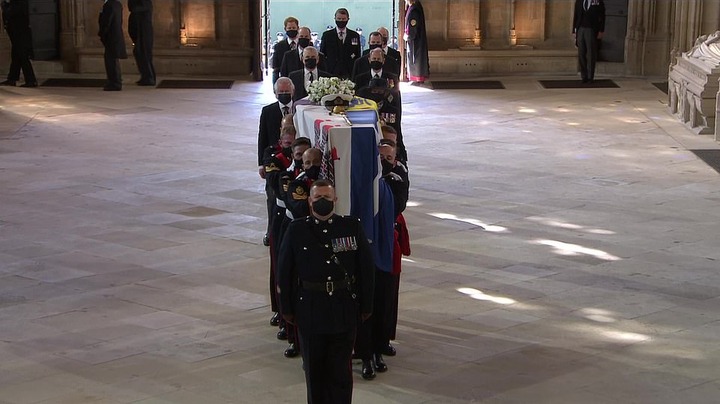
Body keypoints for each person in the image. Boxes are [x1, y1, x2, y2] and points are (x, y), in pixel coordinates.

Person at [277, 179, 375, 404]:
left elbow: (365, 270)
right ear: (310, 201)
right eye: (318, 198)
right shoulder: (297, 229)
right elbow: (284, 272)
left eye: (327, 198)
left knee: (341, 372)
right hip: (310, 308)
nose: (323, 202)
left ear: (336, 200)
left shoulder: (350, 227)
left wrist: (367, 305)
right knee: (314, 371)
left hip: (343, 308)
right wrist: (287, 308)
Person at [258, 77, 295, 247]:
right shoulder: (268, 111)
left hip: (295, 158)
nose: (285, 95)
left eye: (287, 92)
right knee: (272, 197)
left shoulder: (301, 109)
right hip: (275, 160)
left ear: (293, 92)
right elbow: (262, 137)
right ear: (275, 93)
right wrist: (261, 163)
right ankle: (271, 230)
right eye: (281, 93)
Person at [1, 0, 37, 87]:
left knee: (22, 55)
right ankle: (12, 78)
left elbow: (13, 12)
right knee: (16, 55)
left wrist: (5, 5)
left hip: (20, 31)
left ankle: (31, 80)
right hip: (15, 30)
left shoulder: (19, 2)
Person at [319, 8, 361, 79]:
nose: (341, 21)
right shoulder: (327, 35)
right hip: (331, 72)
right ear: (335, 18)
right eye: (339, 18)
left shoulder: (354, 35)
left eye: (343, 19)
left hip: (349, 73)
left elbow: (357, 55)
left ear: (348, 19)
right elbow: (322, 54)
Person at [573, 0, 605, 83]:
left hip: (591, 29)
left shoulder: (597, 1)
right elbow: (576, 15)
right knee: (581, 53)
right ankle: (584, 76)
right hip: (580, 29)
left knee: (591, 53)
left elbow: (602, 15)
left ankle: (590, 77)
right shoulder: (579, 1)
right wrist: (574, 31)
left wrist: (601, 30)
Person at [98, 0, 128, 91]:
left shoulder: (108, 5)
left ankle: (114, 83)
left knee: (111, 61)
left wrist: (102, 34)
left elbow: (106, 22)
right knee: (114, 60)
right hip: (116, 34)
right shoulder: (117, 4)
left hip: (111, 36)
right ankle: (115, 81)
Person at [128, 0, 155, 86]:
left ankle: (149, 77)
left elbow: (143, 8)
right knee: (140, 53)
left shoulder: (144, 6)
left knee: (144, 53)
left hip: (143, 31)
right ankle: (146, 76)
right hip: (139, 30)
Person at [404, 0, 429, 84]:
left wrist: (408, 36)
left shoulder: (414, 10)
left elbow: (412, 26)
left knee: (414, 58)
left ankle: (416, 78)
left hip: (415, 41)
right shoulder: (415, 7)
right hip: (416, 40)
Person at [272, 16, 299, 84]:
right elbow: (276, 68)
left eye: (293, 28)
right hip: (285, 81)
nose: (291, 30)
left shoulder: (303, 44)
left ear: (298, 28)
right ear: (285, 29)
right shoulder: (279, 46)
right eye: (289, 28)